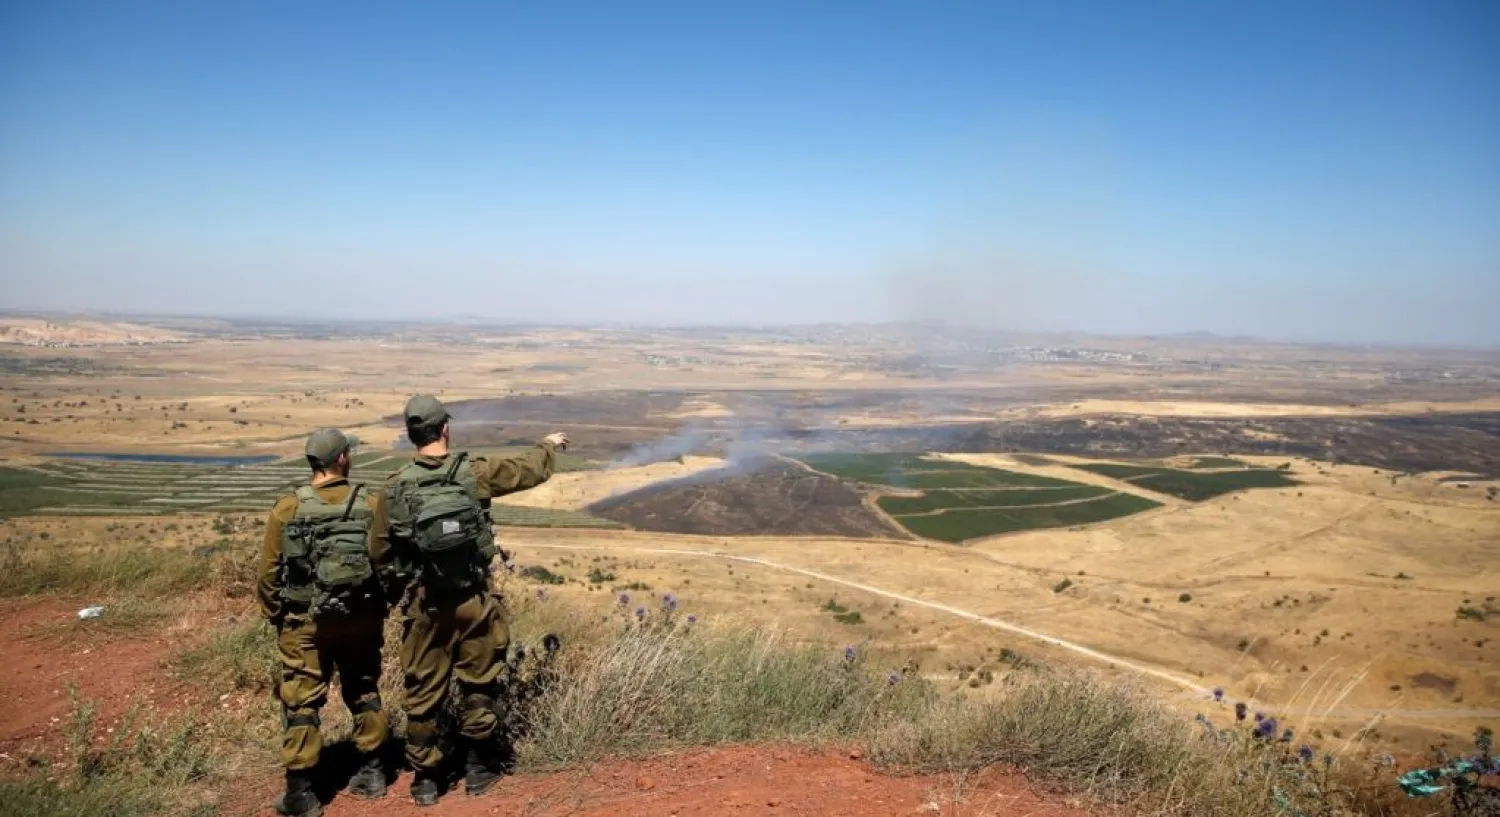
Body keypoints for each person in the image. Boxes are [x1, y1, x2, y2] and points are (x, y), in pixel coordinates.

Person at [371, 394, 567, 806]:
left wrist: (397, 593)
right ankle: (479, 768)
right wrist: (547, 445)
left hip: (425, 603)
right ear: (445, 428)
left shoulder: (394, 488)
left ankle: (426, 779)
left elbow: (380, 553)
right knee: (479, 680)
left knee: (423, 691)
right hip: (474, 598)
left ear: (411, 435)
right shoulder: (472, 472)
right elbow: (526, 470)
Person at [257, 428, 390, 817]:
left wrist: (278, 616)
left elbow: (268, 574)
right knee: (363, 687)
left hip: (306, 622)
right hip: (361, 618)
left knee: (301, 697)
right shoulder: (370, 503)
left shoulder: (288, 507)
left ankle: (302, 792)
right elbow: (387, 562)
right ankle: (373, 771)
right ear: (342, 459)